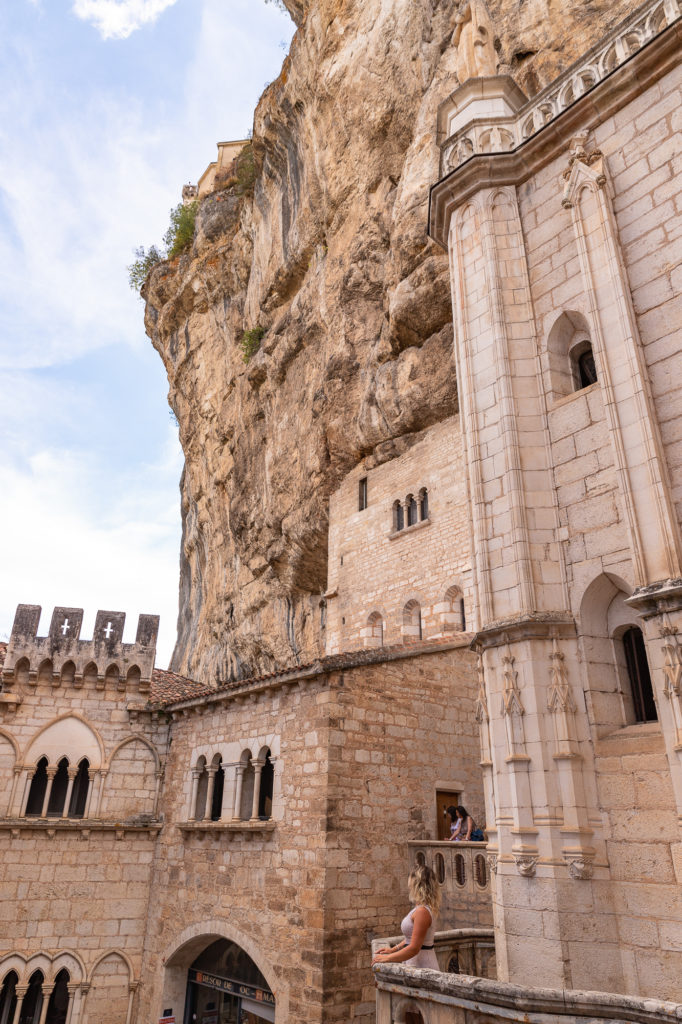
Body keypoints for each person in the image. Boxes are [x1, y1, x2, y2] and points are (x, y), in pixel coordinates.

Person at [371, 864, 441, 970]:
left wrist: (387, 958)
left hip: (423, 966)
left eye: (411, 880)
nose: (408, 885)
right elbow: (412, 938)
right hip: (416, 962)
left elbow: (414, 948)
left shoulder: (422, 911)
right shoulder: (420, 907)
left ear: (417, 884)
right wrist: (393, 949)